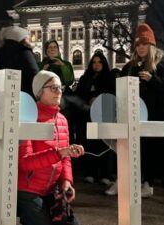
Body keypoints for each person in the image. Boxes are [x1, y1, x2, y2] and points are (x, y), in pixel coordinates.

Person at [117, 23, 164, 197]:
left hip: (155, 115)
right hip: (133, 115)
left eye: (144, 44)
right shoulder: (130, 66)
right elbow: (120, 87)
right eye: (137, 45)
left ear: (151, 45)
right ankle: (126, 180)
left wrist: (152, 80)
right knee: (130, 148)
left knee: (150, 151)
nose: (140, 48)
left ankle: (148, 183)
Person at [17, 70, 84, 225]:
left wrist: (66, 181)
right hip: (27, 190)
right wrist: (59, 153)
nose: (59, 92)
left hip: (51, 190)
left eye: (60, 87)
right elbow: (25, 163)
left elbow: (65, 158)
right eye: (53, 88)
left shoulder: (62, 119)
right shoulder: (28, 116)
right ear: (40, 92)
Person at [74, 52, 116, 187]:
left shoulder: (109, 78)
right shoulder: (85, 78)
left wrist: (98, 98)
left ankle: (105, 174)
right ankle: (90, 173)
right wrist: (88, 100)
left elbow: (112, 94)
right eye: (94, 62)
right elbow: (79, 95)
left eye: (99, 62)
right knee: (89, 144)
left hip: (104, 114)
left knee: (104, 144)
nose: (96, 65)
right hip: (87, 115)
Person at [0, 26, 39, 96]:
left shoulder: (1, 54)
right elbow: (35, 75)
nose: (29, 41)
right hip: (26, 96)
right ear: (22, 39)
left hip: (7, 96)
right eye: (27, 38)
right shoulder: (24, 53)